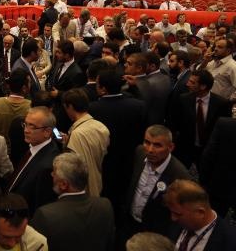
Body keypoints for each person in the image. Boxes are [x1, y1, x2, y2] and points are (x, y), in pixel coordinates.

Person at [88, 69, 146, 215]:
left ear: (102, 89)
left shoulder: (93, 109)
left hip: (104, 161)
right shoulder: (138, 106)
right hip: (129, 159)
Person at [31, 152, 115, 251]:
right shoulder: (105, 206)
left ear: (64, 185)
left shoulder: (45, 215)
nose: (51, 174)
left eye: (54, 173)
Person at [122, 125, 191, 241]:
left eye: (157, 145)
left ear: (171, 147)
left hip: (154, 232)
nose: (150, 150)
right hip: (128, 222)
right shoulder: (139, 152)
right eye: (147, 142)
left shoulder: (180, 175)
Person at [8, 106, 61, 215]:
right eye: (25, 124)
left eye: (32, 126)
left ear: (47, 132)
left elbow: (40, 208)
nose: (26, 130)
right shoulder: (33, 147)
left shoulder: (47, 167)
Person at [174, 69, 231, 169]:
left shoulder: (222, 104)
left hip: (208, 152)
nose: (187, 84)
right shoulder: (183, 99)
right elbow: (176, 124)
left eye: (192, 82)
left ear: (203, 86)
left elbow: (224, 131)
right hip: (185, 150)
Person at [63, 88, 110, 197]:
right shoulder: (101, 127)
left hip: (84, 190)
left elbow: (76, 169)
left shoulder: (77, 134)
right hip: (99, 182)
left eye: (65, 108)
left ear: (70, 107)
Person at [165, 180, 236, 250]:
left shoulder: (231, 242)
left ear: (200, 213)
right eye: (172, 212)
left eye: (178, 214)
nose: (173, 218)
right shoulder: (175, 221)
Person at [0, 69, 31, 146]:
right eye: (30, 83)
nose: (31, 85)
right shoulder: (31, 106)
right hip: (23, 150)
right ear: (24, 88)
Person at [200, 118, 236, 217]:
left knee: (212, 219)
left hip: (220, 186)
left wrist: (203, 183)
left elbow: (208, 157)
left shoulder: (225, 125)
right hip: (221, 187)